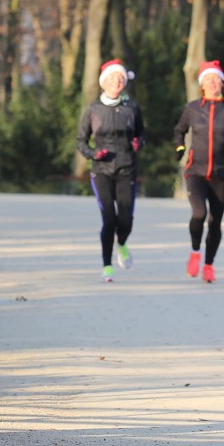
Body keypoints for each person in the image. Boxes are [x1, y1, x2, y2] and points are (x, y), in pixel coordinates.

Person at [173, 60, 224, 283]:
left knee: (215, 221)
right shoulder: (193, 108)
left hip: (221, 174)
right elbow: (179, 129)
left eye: (216, 79)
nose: (213, 82)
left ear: (223, 82)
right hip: (195, 172)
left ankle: (208, 265)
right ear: (202, 84)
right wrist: (179, 146)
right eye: (208, 79)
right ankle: (195, 252)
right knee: (199, 214)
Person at [77, 59, 145, 282]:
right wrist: (92, 154)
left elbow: (141, 136)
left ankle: (122, 244)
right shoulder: (93, 110)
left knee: (126, 220)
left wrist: (138, 144)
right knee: (108, 219)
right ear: (104, 82)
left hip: (127, 169)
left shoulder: (132, 108)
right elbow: (81, 141)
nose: (118, 81)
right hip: (102, 171)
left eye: (121, 78)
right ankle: (107, 266)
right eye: (114, 78)